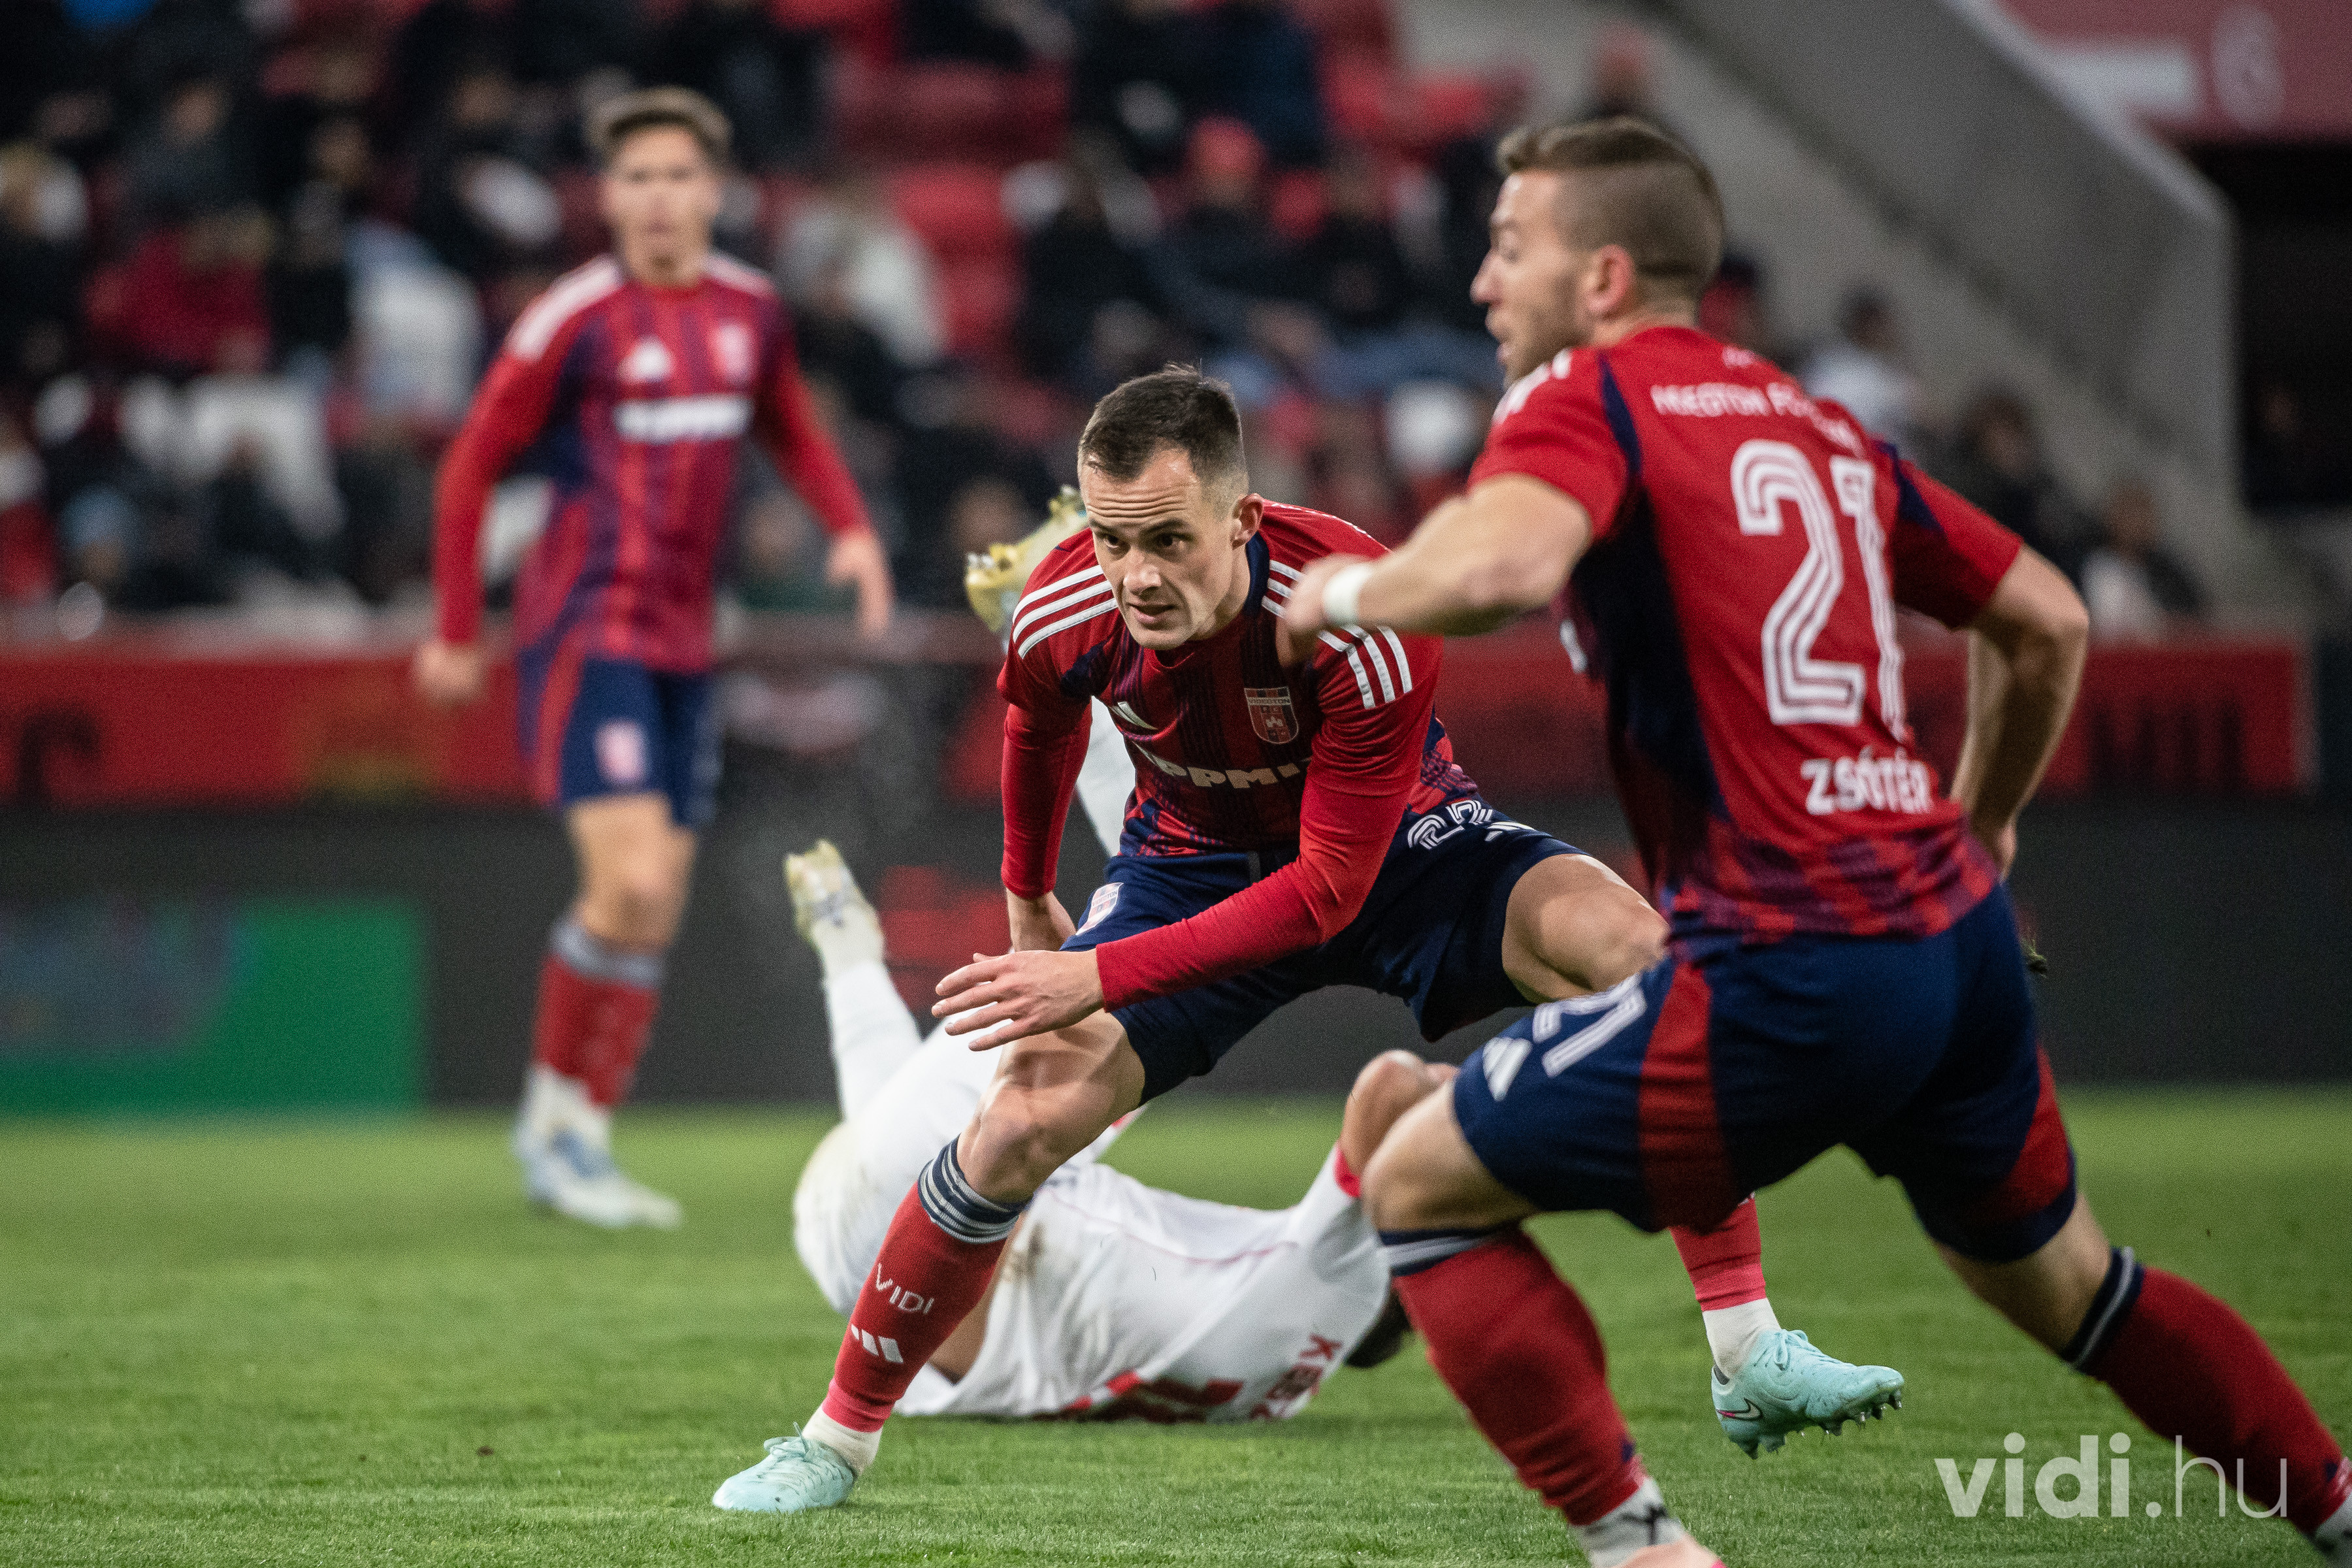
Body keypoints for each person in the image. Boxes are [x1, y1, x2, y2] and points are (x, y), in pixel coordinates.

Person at [1279, 118, 2352, 1567]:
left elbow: (1509, 564)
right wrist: (1985, 825)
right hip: (1953, 945)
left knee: (1416, 1182)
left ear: (1604, 277)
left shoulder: (1585, 397)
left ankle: (1651, 1553)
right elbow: (2047, 620)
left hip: (1787, 960)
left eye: (1510, 245)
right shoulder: (1815, 423)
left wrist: (1344, 593)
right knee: (2075, 1289)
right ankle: (2338, 1511)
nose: (1483, 281)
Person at [710, 368, 1899, 1512]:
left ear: (1243, 520)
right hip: (1189, 863)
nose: (1136, 574)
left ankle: (1745, 1348)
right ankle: (833, 1442)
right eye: (1113, 540)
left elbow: (1329, 893)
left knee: (1647, 960)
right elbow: (1037, 722)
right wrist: (1028, 898)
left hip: (1401, 852)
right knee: (1016, 1121)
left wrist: (1096, 971)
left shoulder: (1358, 610)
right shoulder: (1068, 602)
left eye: (1168, 540)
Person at [414, 87, 894, 1230]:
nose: (659, 198)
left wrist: (851, 527)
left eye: (679, 175)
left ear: (716, 192)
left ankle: (577, 1132)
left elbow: (789, 425)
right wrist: (455, 626)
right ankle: (553, 1131)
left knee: (658, 903)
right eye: (637, 178)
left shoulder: (749, 311)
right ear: (608, 197)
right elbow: (470, 464)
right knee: (626, 884)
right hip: (587, 631)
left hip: (690, 640)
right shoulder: (572, 320)